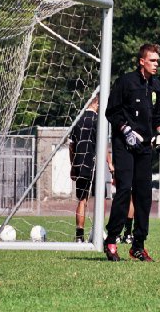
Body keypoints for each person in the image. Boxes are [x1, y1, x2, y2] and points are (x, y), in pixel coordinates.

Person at [103, 43, 160, 262]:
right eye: (153, 60)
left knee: (144, 195)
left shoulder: (156, 85)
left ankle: (137, 245)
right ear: (142, 61)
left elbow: (158, 117)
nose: (157, 64)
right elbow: (111, 111)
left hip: (145, 147)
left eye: (158, 61)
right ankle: (111, 240)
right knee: (124, 189)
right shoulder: (125, 82)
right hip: (124, 144)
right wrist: (126, 130)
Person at [69, 95, 99, 243]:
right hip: (93, 164)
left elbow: (71, 145)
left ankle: (79, 236)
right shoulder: (97, 121)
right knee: (98, 199)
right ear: (97, 103)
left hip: (79, 163)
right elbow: (102, 146)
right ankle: (98, 232)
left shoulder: (78, 119)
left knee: (82, 200)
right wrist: (110, 163)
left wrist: (73, 166)